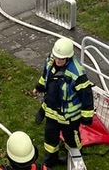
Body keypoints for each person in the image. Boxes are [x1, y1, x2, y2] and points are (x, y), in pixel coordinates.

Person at [34, 38, 94, 168]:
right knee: (50, 139)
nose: (58, 61)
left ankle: (75, 161)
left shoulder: (77, 73)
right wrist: (39, 87)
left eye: (61, 59)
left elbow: (86, 95)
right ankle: (50, 161)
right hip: (51, 112)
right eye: (56, 57)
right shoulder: (50, 62)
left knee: (72, 140)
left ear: (68, 58)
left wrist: (87, 116)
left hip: (69, 117)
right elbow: (45, 77)